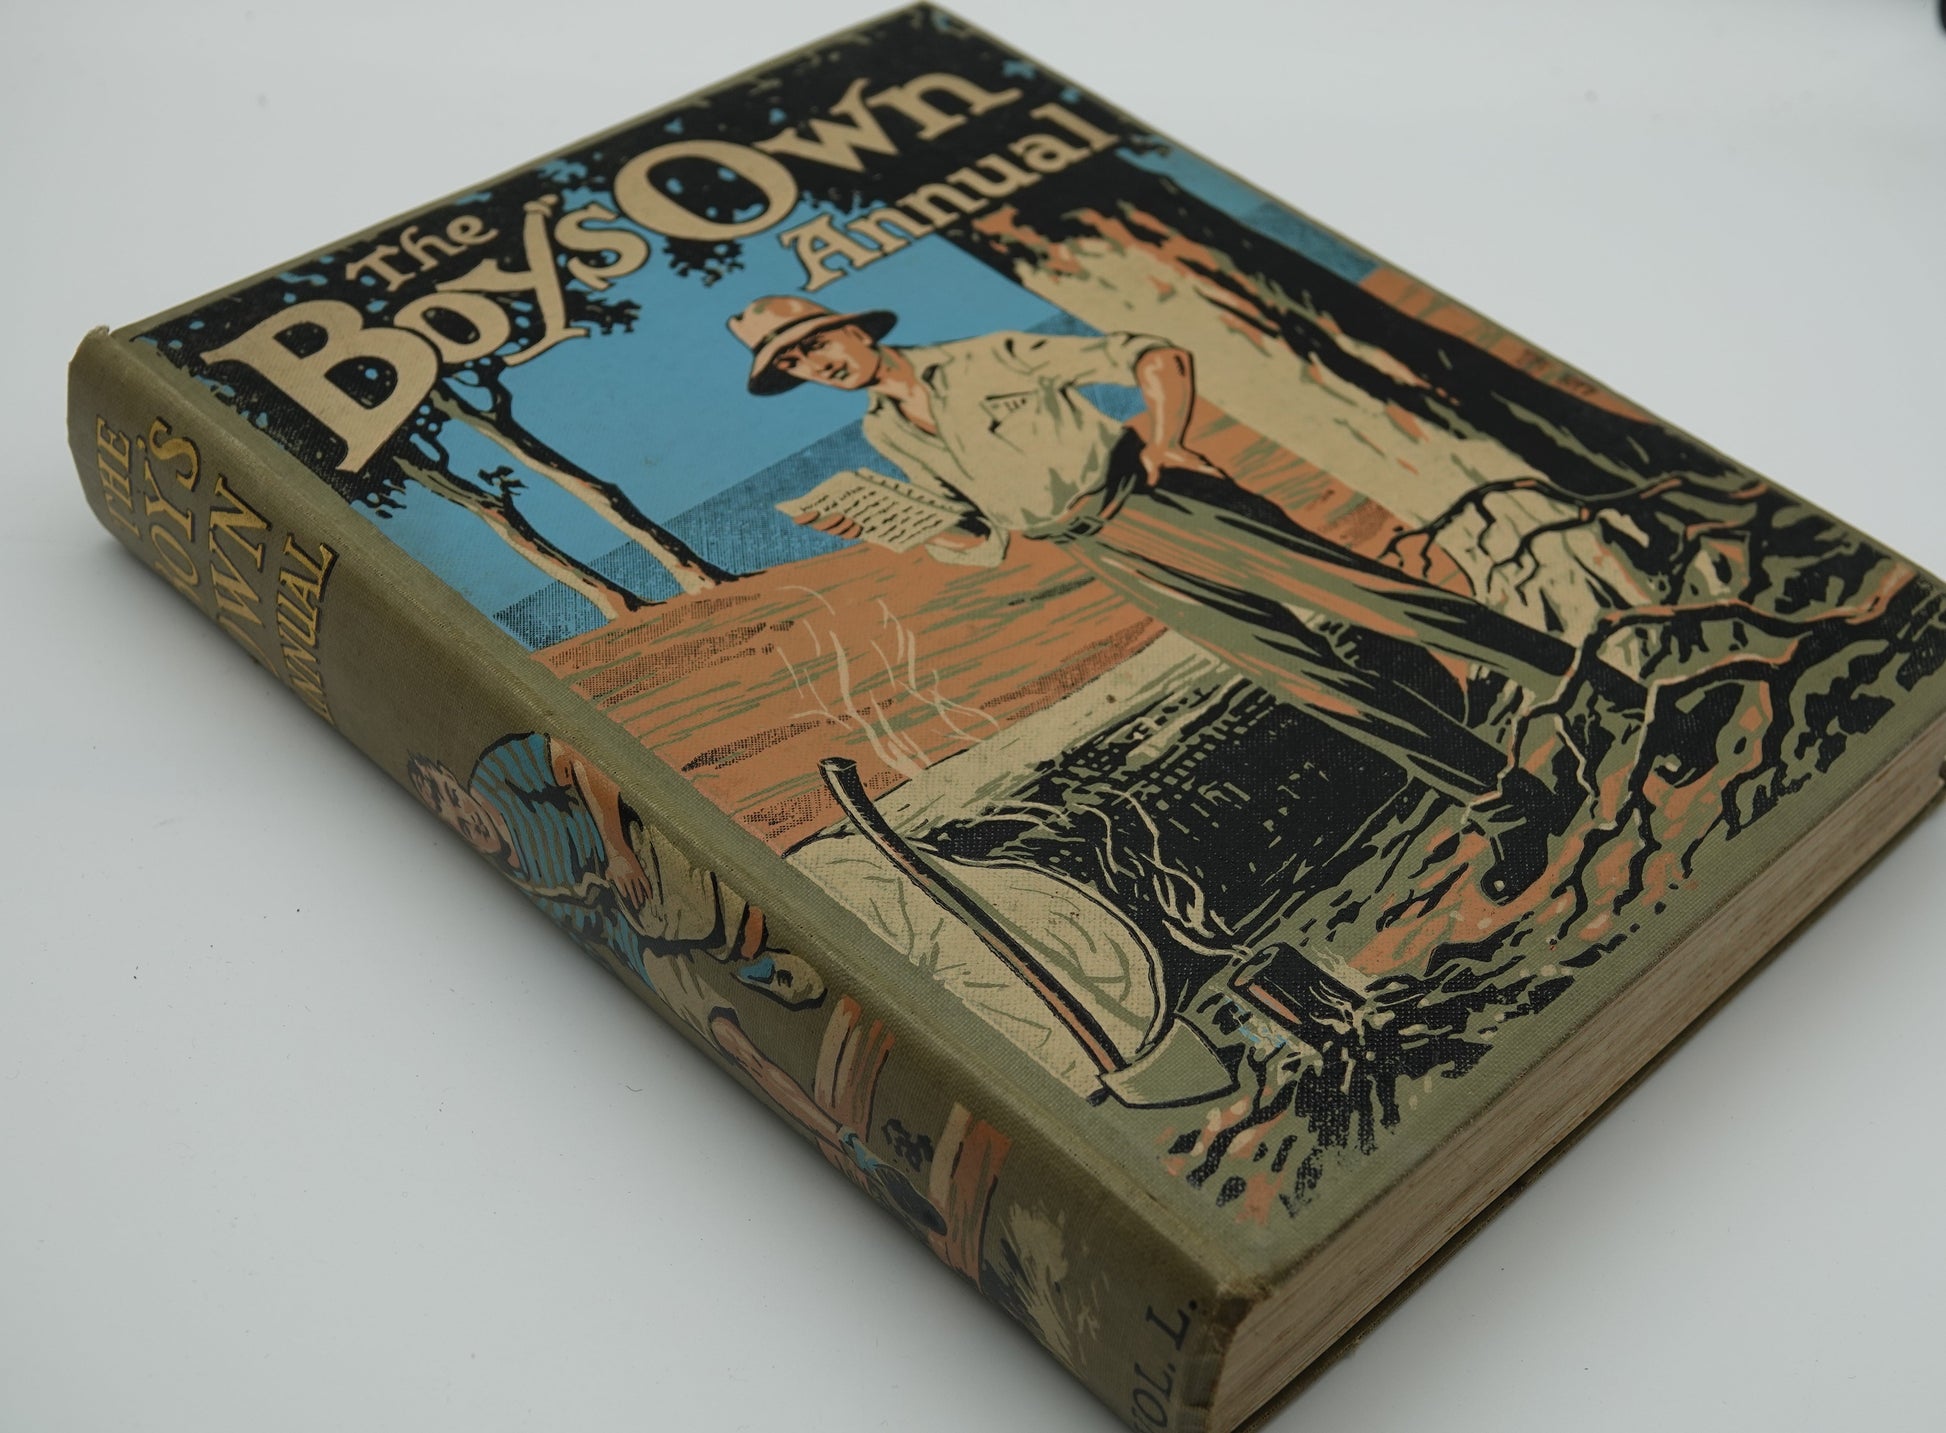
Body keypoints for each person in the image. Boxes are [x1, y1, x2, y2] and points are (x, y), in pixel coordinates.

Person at [728, 295, 1646, 900]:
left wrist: (1168, 439)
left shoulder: (980, 356)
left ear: (858, 330)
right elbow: (986, 538)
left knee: (1385, 604)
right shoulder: (887, 433)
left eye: (817, 341)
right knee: (1310, 681)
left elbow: (1154, 353)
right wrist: (904, 531)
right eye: (796, 362)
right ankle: (1509, 802)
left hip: (1159, 496)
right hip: (1102, 548)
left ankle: (1607, 695)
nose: (817, 361)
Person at [408, 731, 824, 1006]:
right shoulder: (526, 877)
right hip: (635, 926)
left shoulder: (497, 772)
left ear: (452, 778)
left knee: (702, 914)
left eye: (454, 797)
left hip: (635, 850)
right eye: (455, 819)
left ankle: (768, 955)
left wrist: (617, 852)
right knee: (690, 996)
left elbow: (578, 765)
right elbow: (601, 929)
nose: (467, 819)